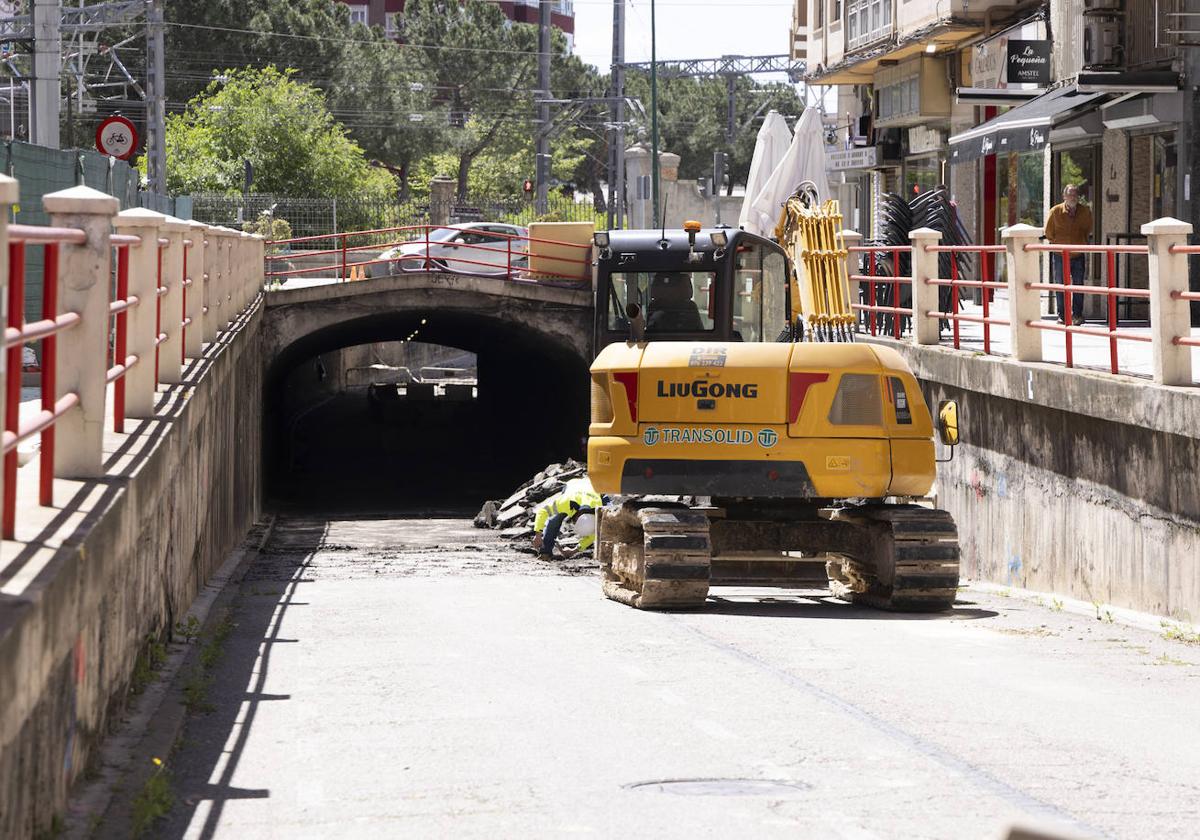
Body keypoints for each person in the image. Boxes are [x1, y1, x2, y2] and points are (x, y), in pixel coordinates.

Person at [1044, 184, 1094, 326]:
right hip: (1060, 253)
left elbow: (1088, 229)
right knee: (1061, 284)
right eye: (1070, 194)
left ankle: (1077, 315)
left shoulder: (1085, 211)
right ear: (1064, 196)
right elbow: (1048, 232)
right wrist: (1057, 243)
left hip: (1078, 253)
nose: (1073, 197)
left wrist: (1082, 242)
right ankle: (1063, 315)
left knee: (1078, 285)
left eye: (1075, 194)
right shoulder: (1056, 211)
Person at [531, 476, 602, 560]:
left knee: (602, 527)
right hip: (573, 485)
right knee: (555, 520)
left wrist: (574, 550)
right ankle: (545, 553)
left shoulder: (599, 513)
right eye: (575, 522)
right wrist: (538, 535)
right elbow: (543, 511)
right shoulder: (566, 502)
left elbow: (593, 535)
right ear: (577, 517)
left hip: (593, 486)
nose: (573, 523)